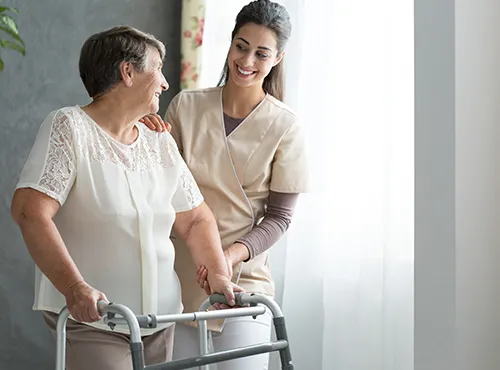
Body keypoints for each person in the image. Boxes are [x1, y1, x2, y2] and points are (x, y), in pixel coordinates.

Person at [10, 25, 242, 370]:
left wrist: (219, 274)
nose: (165, 83)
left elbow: (195, 219)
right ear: (128, 72)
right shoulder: (69, 127)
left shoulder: (157, 139)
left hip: (161, 319)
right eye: (158, 68)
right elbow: (30, 211)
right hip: (94, 318)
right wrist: (75, 288)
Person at [140, 1, 310, 369]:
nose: (247, 61)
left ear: (278, 58)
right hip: (183, 279)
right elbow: (160, 189)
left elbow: (279, 217)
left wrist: (227, 257)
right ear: (230, 43)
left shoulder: (286, 126)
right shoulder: (185, 107)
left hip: (244, 285)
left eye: (261, 53)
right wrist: (144, 135)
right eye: (241, 46)